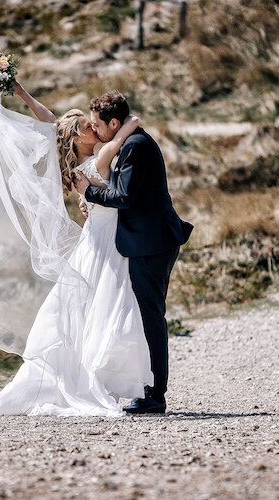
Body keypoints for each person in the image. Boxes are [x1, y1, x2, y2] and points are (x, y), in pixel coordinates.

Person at [0, 82, 154, 416]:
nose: (94, 127)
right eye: (87, 126)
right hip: (105, 240)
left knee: (90, 308)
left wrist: (20, 91)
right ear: (77, 139)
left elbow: (51, 122)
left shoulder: (81, 162)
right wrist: (130, 122)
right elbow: (118, 138)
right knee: (107, 306)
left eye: (93, 123)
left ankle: (93, 374)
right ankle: (98, 377)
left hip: (96, 238)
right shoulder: (99, 158)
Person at [74, 91, 193, 414]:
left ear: (115, 123)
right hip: (147, 241)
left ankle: (155, 395)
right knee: (144, 316)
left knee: (150, 317)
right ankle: (145, 388)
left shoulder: (135, 146)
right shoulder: (130, 142)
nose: (94, 130)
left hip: (151, 243)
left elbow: (125, 197)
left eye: (98, 125)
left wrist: (90, 192)